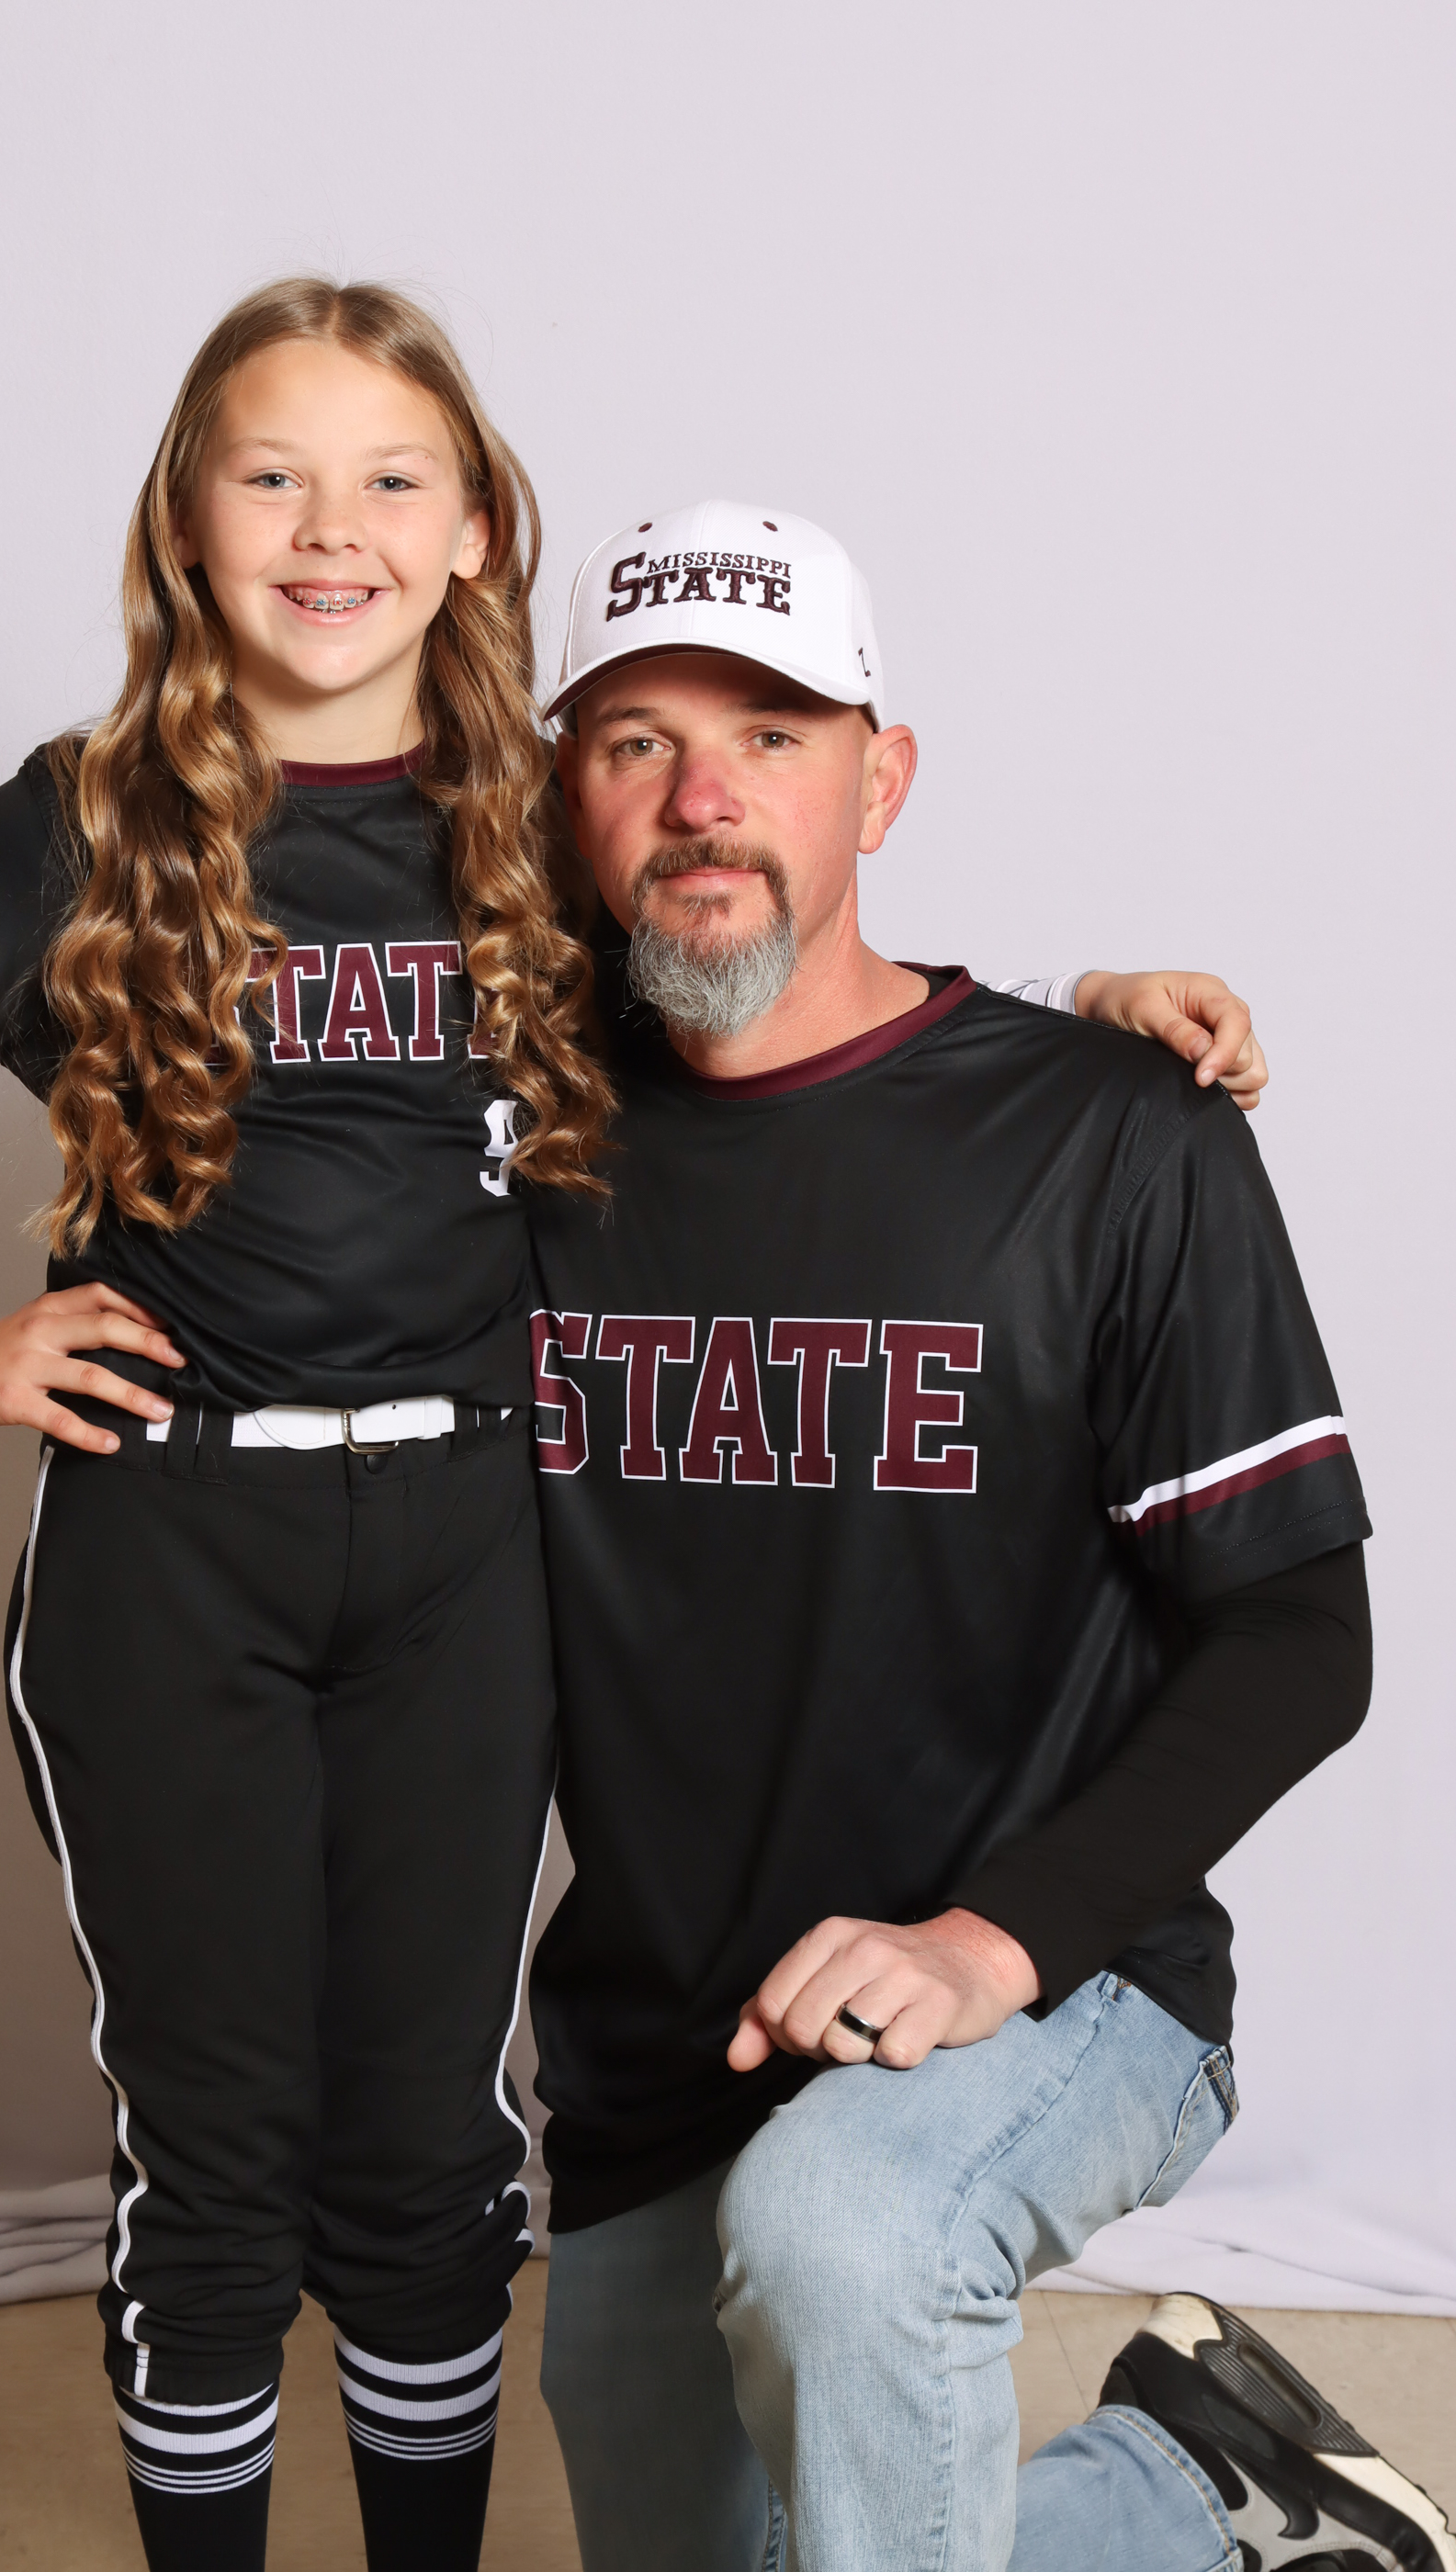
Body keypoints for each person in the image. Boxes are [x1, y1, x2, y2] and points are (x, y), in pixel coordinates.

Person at [0, 286, 1258, 2572]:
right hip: (174, 1551)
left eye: (392, 477)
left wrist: (1083, 1013)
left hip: (462, 1550)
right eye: (272, 476)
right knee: (217, 2155)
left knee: (425, 2148)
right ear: (185, 524)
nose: (334, 527)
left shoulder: (531, 824)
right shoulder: (86, 819)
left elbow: (780, 963)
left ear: (480, 525)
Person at [525, 502, 1452, 2572]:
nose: (702, 795)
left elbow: (1304, 1634)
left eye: (772, 735)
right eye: (635, 741)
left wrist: (984, 1942)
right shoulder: (524, 1148)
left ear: (884, 780)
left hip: (1064, 1979)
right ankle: (1190, 2479)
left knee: (845, 2236)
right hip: (669, 2031)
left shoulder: (1113, 1134)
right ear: (564, 798)